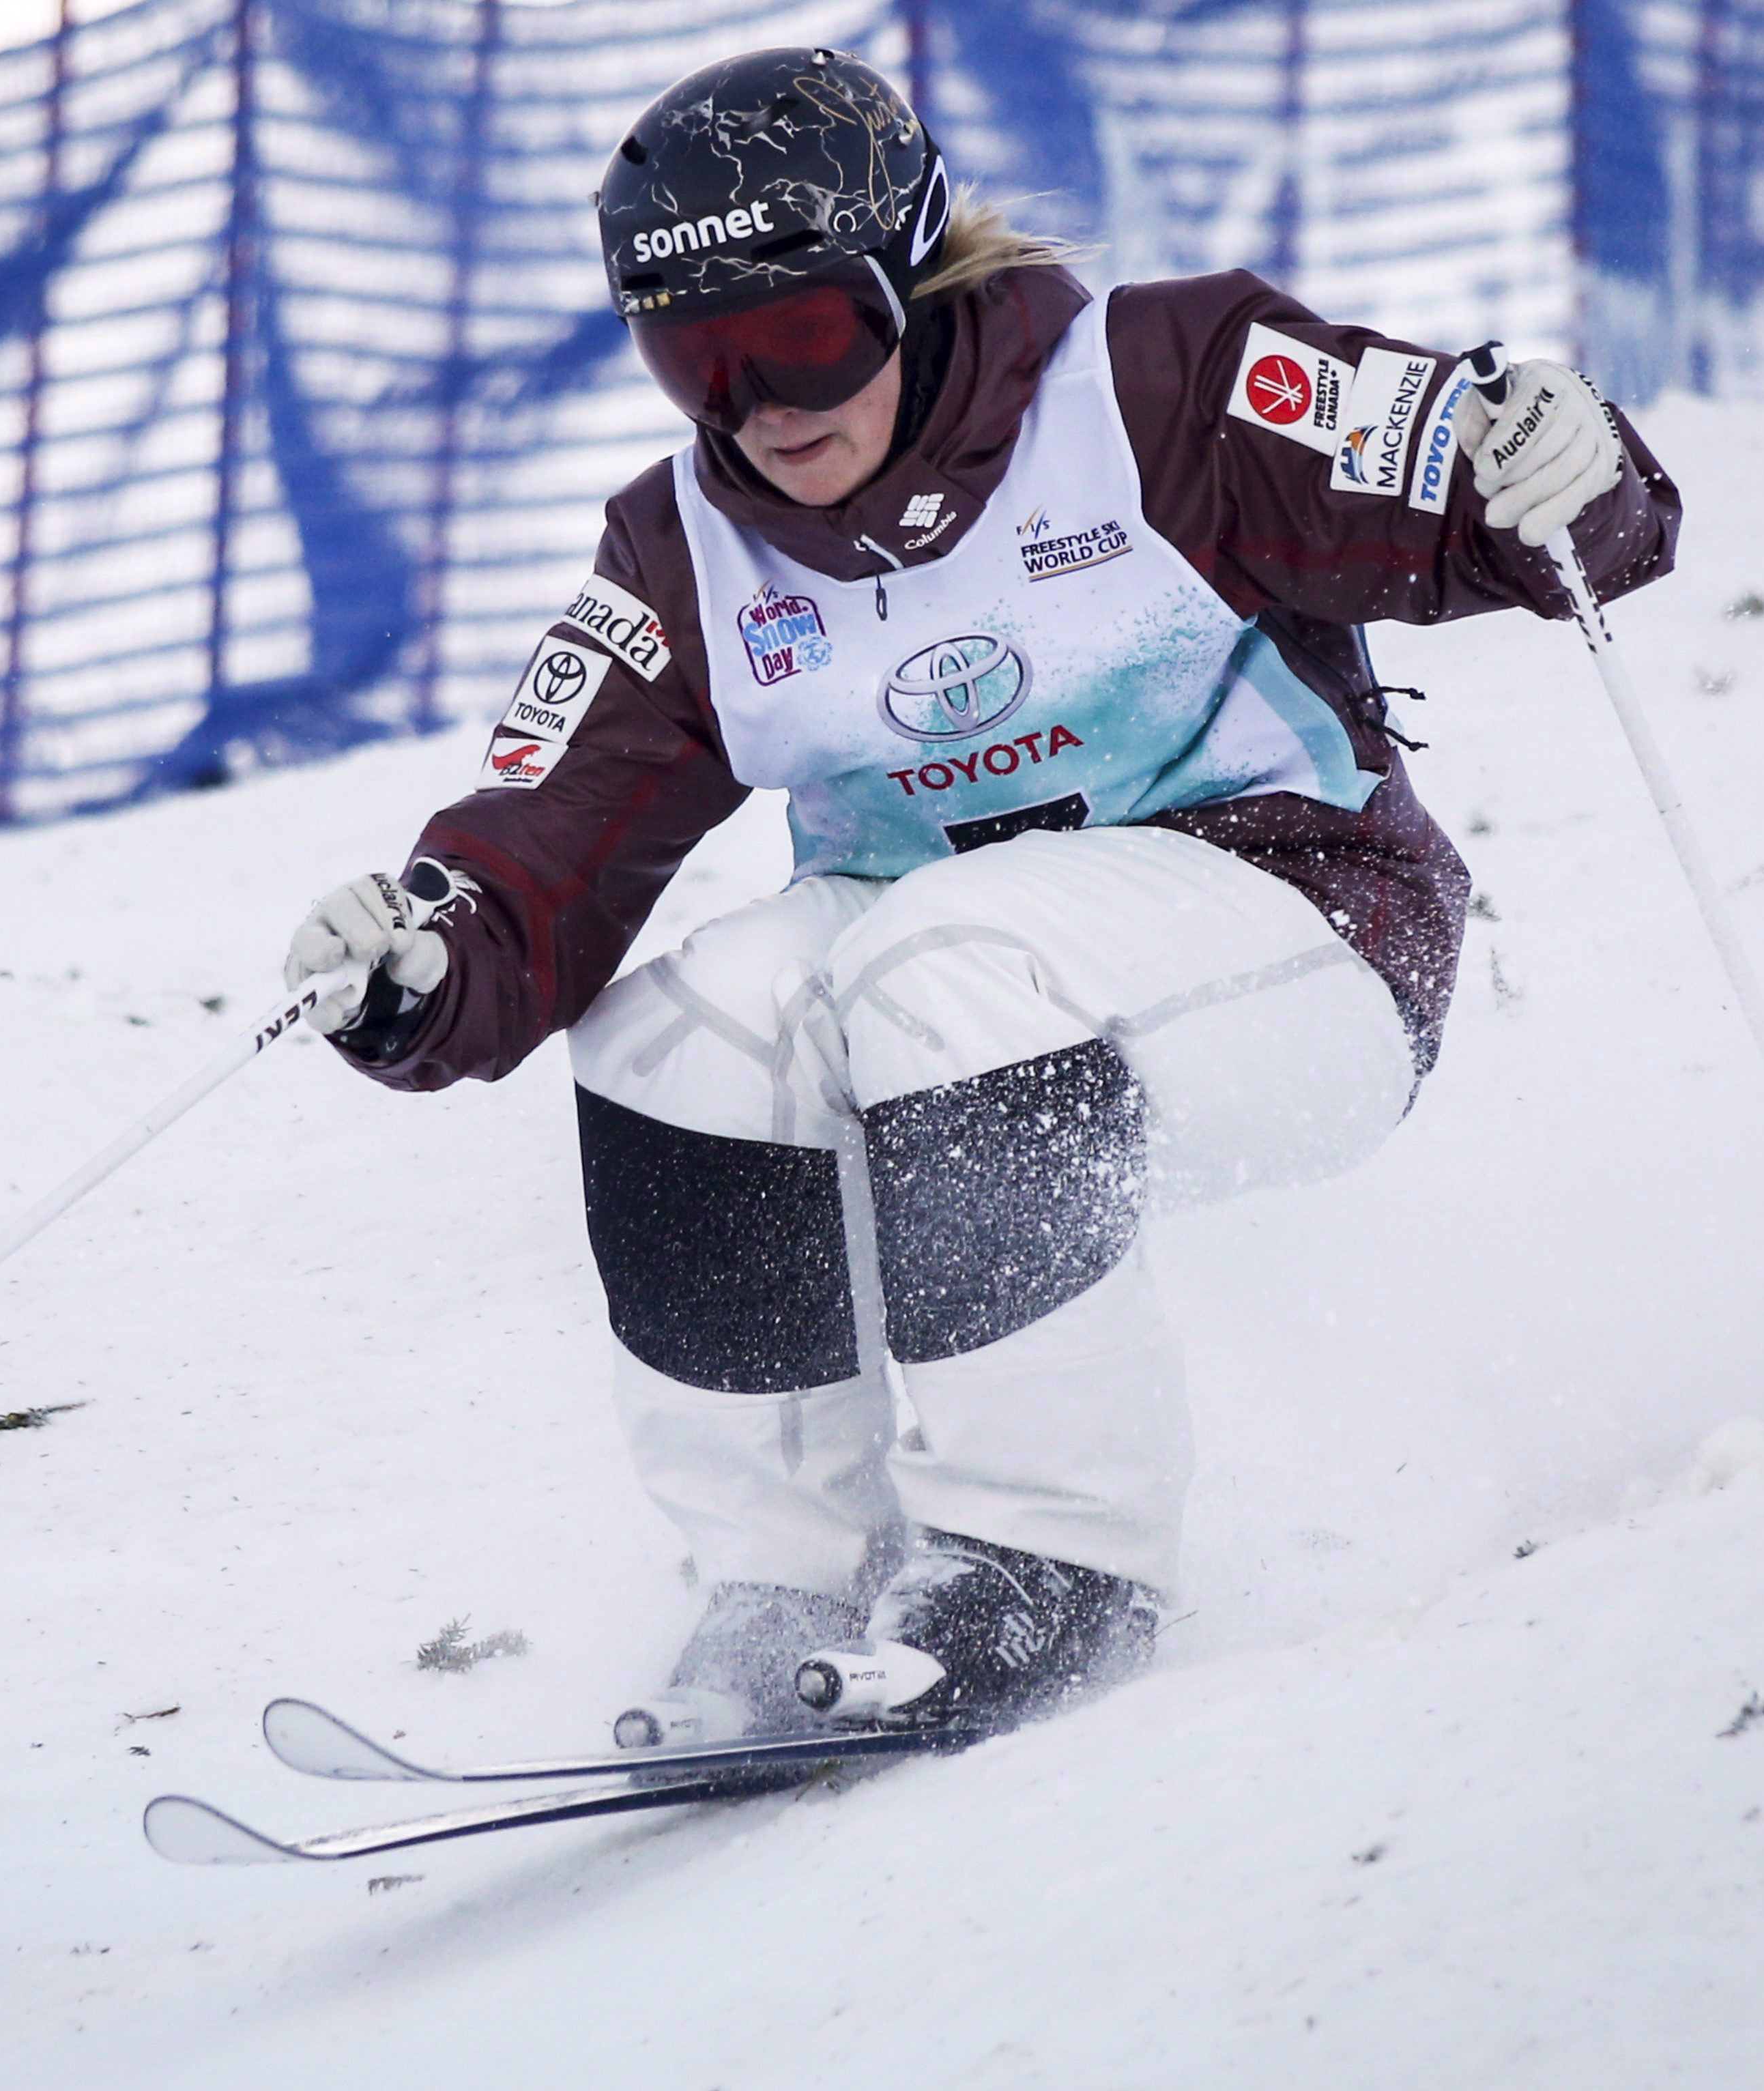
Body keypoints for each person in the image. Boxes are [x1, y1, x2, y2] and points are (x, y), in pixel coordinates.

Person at [282, 47, 1680, 1748]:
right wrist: (426, 959)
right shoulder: (688, 551)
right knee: (682, 1031)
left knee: (939, 958)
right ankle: (793, 1581)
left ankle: (1050, 1568)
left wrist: (1559, 460)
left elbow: (1511, 502)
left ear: (917, 275)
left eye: (799, 335)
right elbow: (539, 844)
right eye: (693, 358)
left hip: (1301, 940)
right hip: (952, 1003)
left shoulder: (1159, 384)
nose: (760, 405)